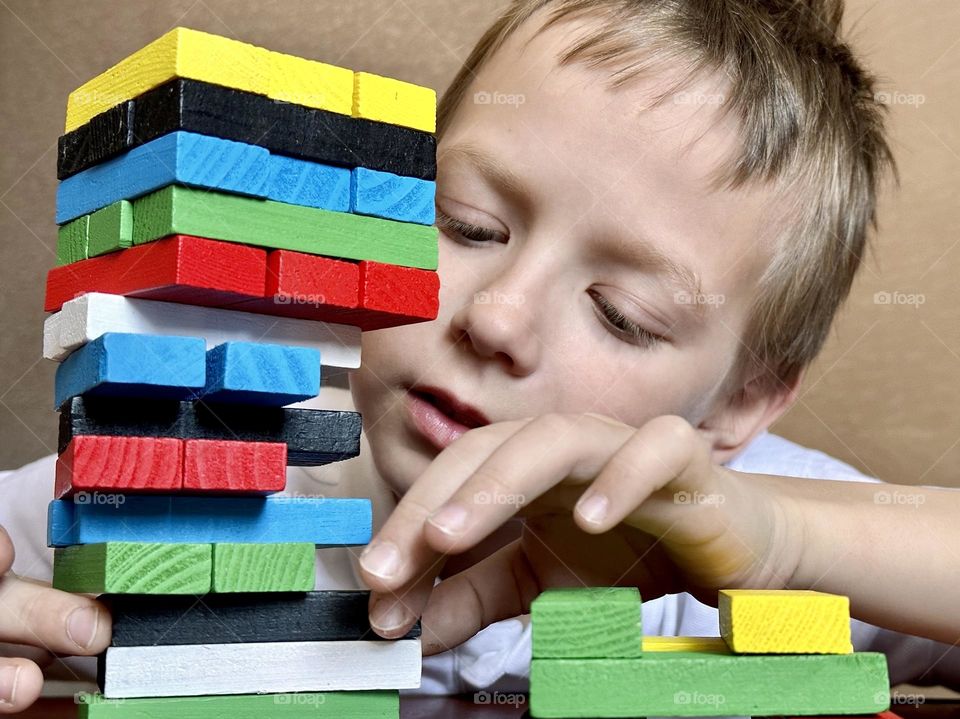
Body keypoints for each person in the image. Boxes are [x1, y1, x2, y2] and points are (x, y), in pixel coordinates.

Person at [2, 0, 959, 713]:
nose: (497, 318)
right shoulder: (160, 473)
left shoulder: (749, 546)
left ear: (738, 406)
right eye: (466, 225)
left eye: (621, 314)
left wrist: (791, 541)